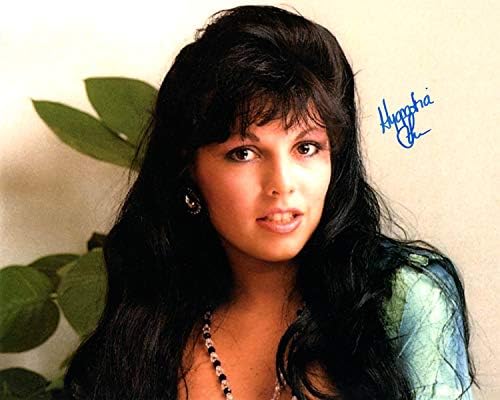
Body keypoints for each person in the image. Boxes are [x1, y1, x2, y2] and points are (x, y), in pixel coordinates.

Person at [62, 5, 478, 399]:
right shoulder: (149, 325)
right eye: (244, 153)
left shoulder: (401, 299)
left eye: (307, 148)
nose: (282, 184)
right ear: (189, 171)